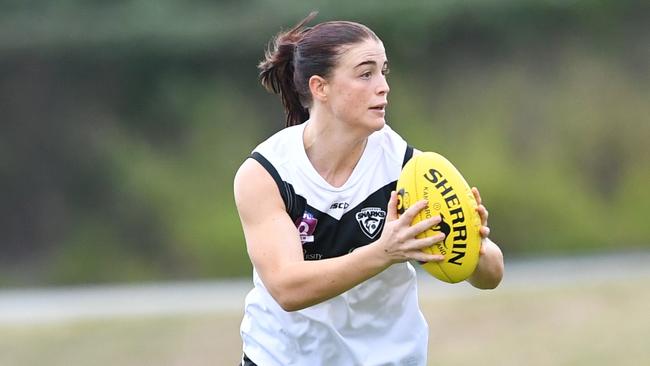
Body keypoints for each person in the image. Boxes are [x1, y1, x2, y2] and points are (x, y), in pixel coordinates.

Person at [233, 12, 504, 366]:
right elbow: (288, 288)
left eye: (383, 71)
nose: (383, 86)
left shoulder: (409, 170)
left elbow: (492, 275)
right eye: (365, 73)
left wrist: (474, 243)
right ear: (320, 88)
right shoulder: (267, 173)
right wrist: (385, 251)